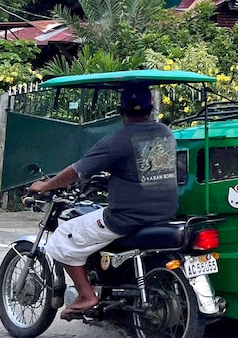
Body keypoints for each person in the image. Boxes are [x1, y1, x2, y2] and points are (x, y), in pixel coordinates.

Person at [28, 82, 178, 317]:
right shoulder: (165, 133)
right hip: (165, 212)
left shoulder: (117, 141)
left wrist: (46, 185)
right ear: (152, 108)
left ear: (122, 111)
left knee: (63, 237)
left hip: (126, 217)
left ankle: (86, 295)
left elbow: (77, 172)